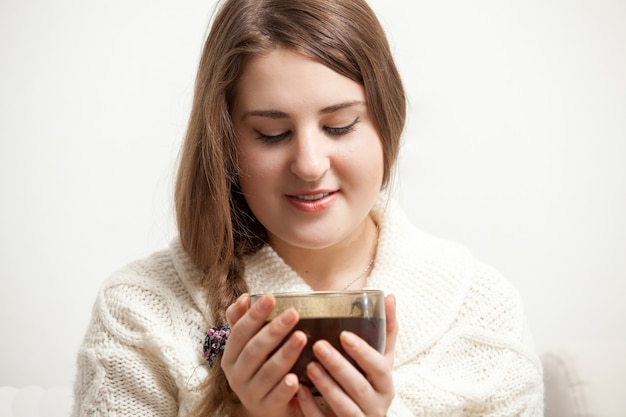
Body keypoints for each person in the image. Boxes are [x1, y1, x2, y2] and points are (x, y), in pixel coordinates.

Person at [72, 0, 544, 416]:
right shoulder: (139, 312)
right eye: (272, 134)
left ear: (388, 120)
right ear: (225, 143)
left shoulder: (480, 312)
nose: (310, 164)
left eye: (340, 126)